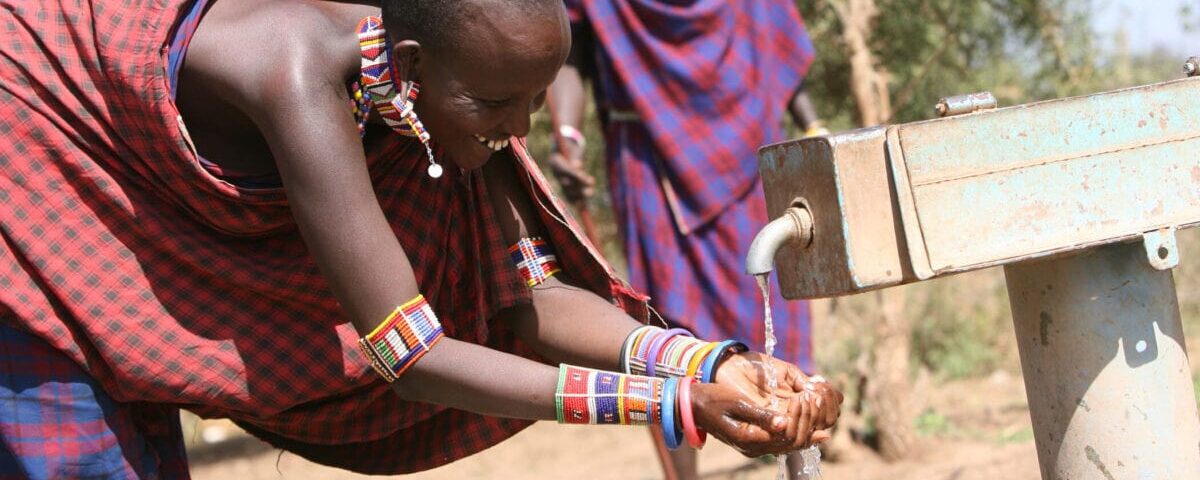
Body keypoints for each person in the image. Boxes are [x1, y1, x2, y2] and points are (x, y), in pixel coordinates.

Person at [0, 0, 842, 477]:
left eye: (535, 103)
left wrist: (706, 362)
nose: (517, 131)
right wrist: (666, 401)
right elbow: (411, 356)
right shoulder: (296, 76)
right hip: (36, 174)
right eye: (493, 106)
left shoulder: (444, 88)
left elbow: (531, 297)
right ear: (406, 69)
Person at [546, 1, 828, 478]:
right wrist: (567, 135)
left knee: (773, 314)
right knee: (665, 322)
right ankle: (682, 476)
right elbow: (574, 50)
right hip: (653, 156)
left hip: (751, 148)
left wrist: (815, 129)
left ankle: (802, 465)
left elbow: (773, 42)